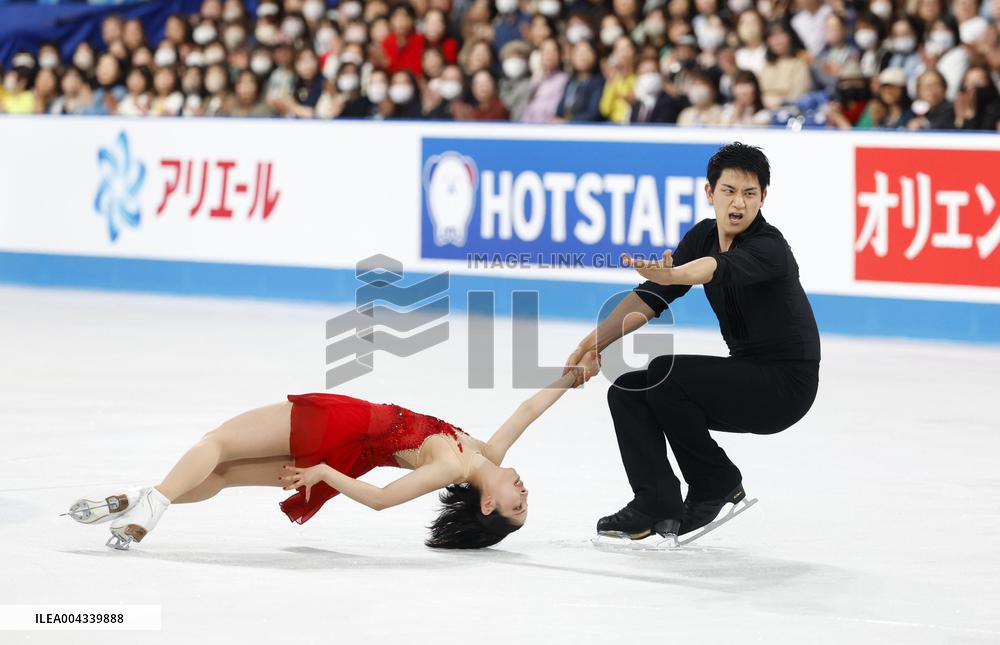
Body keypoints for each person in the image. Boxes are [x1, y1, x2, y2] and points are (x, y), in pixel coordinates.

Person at [67, 352, 601, 550]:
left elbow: (381, 501)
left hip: (345, 427)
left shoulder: (454, 465)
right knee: (226, 472)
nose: (524, 492)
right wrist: (571, 378)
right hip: (348, 450)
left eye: (517, 505)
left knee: (216, 443)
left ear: (487, 505)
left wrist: (322, 468)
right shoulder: (485, 451)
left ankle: (152, 509)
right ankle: (141, 498)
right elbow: (530, 410)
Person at [563, 142, 820, 542]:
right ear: (709, 193)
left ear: (763, 198)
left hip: (786, 386)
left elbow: (711, 269)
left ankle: (714, 480)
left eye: (750, 194)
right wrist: (592, 345)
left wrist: (676, 274)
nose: (738, 203)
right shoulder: (703, 235)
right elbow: (651, 297)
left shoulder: (770, 247)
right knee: (629, 390)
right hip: (746, 372)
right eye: (728, 191)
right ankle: (655, 501)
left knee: (668, 375)